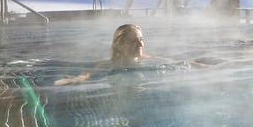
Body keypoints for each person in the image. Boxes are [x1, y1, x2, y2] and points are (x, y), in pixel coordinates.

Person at [54, 24, 209, 85]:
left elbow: (181, 63)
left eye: (141, 39)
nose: (141, 45)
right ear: (120, 45)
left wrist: (208, 67)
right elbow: (87, 75)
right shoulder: (109, 65)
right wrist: (72, 80)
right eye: (134, 41)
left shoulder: (149, 60)